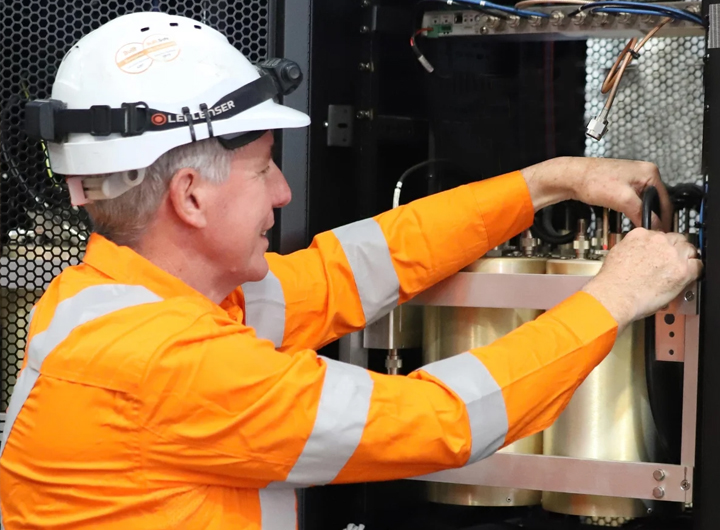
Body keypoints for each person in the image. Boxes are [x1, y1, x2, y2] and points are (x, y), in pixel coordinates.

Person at [0, 11, 701, 530]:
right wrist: (611, 298)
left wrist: (548, 181)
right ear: (189, 196)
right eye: (264, 167)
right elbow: (438, 420)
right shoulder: (168, 360)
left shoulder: (121, 301)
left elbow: (349, 271)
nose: (283, 191)